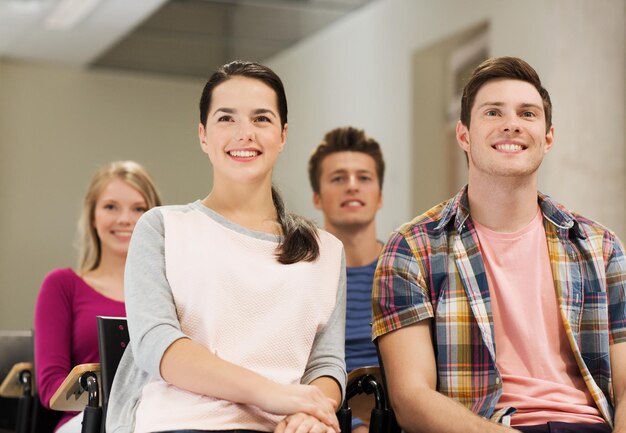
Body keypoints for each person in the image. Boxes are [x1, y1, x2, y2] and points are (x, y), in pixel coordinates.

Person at [372, 56, 626, 433]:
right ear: (464, 135)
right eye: (493, 112)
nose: (512, 124)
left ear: (548, 137)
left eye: (528, 114)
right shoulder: (412, 249)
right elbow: (411, 399)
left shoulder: (599, 246)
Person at [106, 60, 346, 433]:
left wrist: (310, 412)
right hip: (182, 423)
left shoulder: (326, 251)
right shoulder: (162, 228)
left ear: (283, 135)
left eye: (261, 119)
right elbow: (158, 344)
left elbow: (326, 365)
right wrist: (275, 395)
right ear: (203, 135)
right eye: (226, 118)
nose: (244, 133)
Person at [34, 160, 162, 433]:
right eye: (110, 207)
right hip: (88, 422)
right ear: (93, 216)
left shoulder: (170, 289)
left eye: (139, 209)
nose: (125, 218)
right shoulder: (62, 285)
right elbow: (50, 389)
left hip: (156, 417)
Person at [308, 126, 384, 433]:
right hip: (325, 419)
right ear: (317, 197)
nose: (352, 186)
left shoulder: (407, 270)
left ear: (379, 196)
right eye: (338, 178)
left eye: (364, 178)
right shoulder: (300, 277)